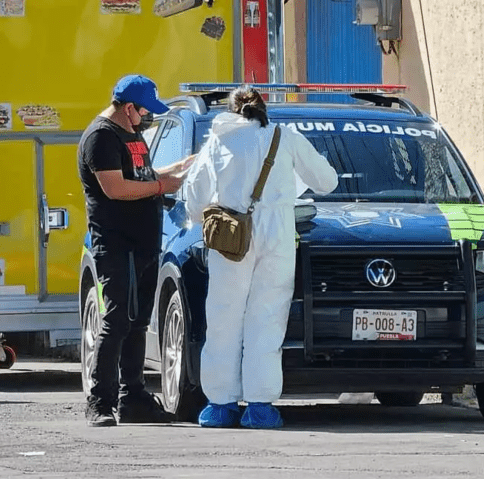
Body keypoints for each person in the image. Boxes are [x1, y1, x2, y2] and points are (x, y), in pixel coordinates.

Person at [183, 86, 338, 428]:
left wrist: (204, 216)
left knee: (224, 317)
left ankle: (221, 405)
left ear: (232, 109)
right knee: (267, 319)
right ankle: (260, 406)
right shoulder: (286, 137)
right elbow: (327, 181)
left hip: (232, 237)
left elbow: (194, 197)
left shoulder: (219, 140)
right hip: (278, 235)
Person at [78, 74, 196, 426]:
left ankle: (134, 398)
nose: (148, 117)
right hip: (116, 245)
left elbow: (138, 174)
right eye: (145, 110)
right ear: (128, 108)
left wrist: (174, 169)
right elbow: (115, 187)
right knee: (115, 320)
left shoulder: (132, 135)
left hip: (144, 244)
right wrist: (163, 185)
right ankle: (100, 401)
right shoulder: (101, 138)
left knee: (138, 322)